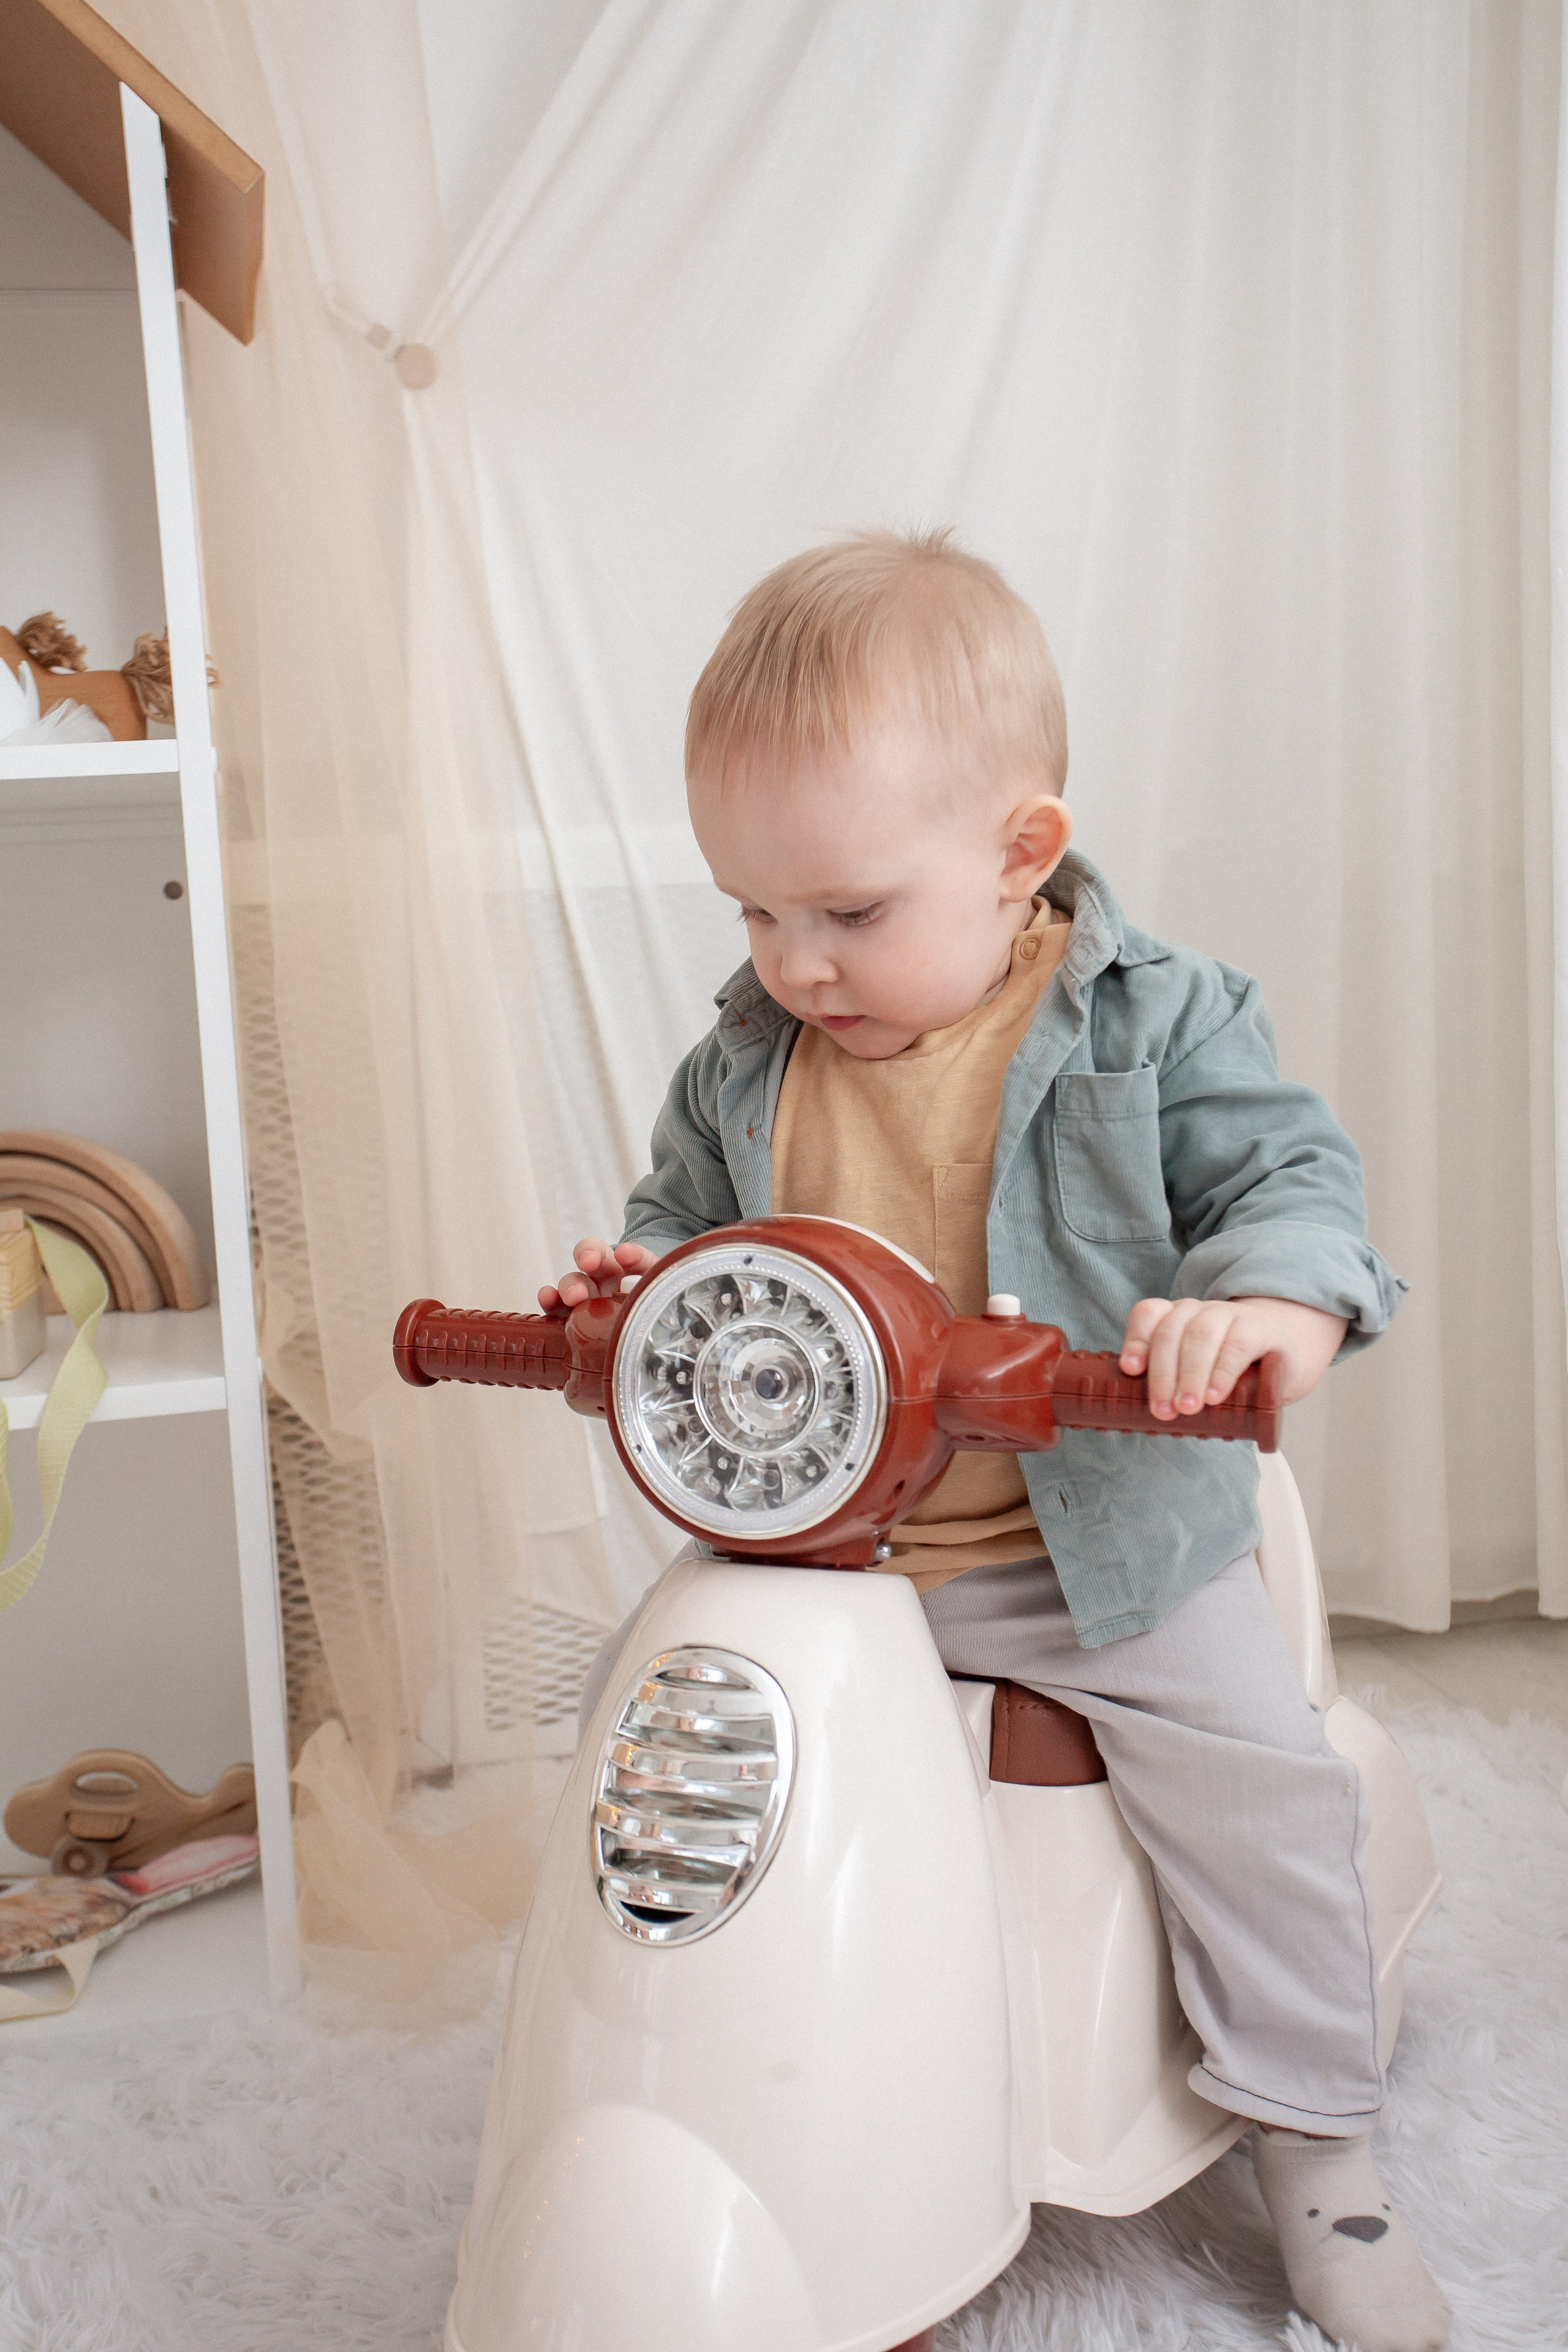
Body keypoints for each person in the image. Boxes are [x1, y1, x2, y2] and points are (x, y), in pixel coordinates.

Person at [542, 529, 1448, 2352]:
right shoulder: (745, 1067)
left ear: (1020, 853)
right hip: (820, 1564)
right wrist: (629, 1290)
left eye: (849, 913)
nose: (794, 963)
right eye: (751, 912)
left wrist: (1267, 1307)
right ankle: (758, 2108)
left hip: (1090, 1555)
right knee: (649, 1772)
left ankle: (1318, 2136)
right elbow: (682, 1229)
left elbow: (1292, 1182)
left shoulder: (1153, 1021)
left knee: (1255, 1790)